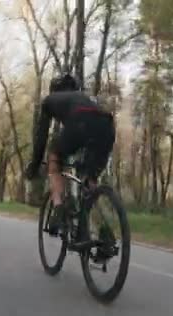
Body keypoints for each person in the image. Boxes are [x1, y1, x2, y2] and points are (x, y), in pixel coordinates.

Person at [25, 74, 115, 236]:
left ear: (54, 90)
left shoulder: (50, 100)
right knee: (90, 182)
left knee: (54, 156)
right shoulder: (87, 97)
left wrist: (35, 165)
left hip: (80, 120)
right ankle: (104, 232)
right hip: (106, 125)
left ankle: (58, 208)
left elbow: (41, 137)